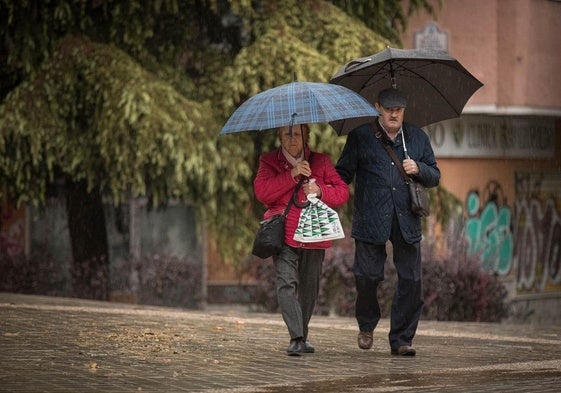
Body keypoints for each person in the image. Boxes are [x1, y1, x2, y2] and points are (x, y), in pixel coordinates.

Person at [335, 88, 440, 356]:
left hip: (407, 218)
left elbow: (434, 175)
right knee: (366, 276)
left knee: (412, 280)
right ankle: (367, 323)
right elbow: (342, 173)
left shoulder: (416, 137)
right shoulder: (361, 136)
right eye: (389, 108)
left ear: (404, 110)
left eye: (399, 109)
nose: (394, 113)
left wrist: (419, 168)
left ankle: (402, 339)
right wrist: (322, 185)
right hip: (371, 218)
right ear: (378, 107)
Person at [254, 123, 349, 356]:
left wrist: (320, 191)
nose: (292, 138)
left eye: (297, 133)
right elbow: (262, 193)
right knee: (286, 284)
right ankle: (296, 337)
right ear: (279, 136)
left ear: (306, 136)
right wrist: (291, 175)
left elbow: (342, 192)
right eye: (287, 133)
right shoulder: (269, 162)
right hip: (284, 234)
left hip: (314, 235)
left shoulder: (321, 161)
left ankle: (302, 334)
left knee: (309, 288)